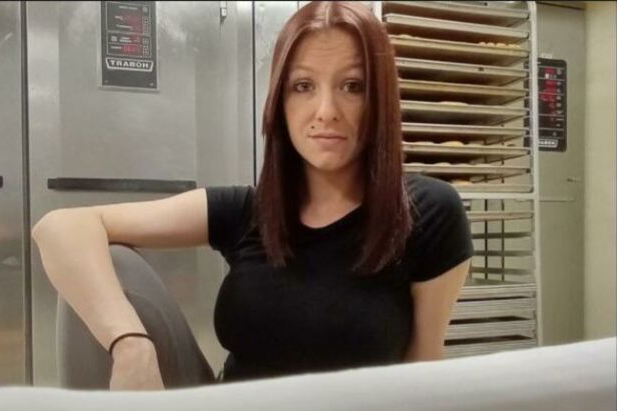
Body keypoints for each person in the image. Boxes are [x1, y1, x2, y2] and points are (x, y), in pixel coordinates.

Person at [32, 1, 472, 390]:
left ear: (381, 100)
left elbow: (422, 369)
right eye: (303, 86)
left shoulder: (427, 213)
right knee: (101, 266)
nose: (326, 112)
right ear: (280, 101)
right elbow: (60, 227)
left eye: (352, 86)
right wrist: (131, 346)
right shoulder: (249, 211)